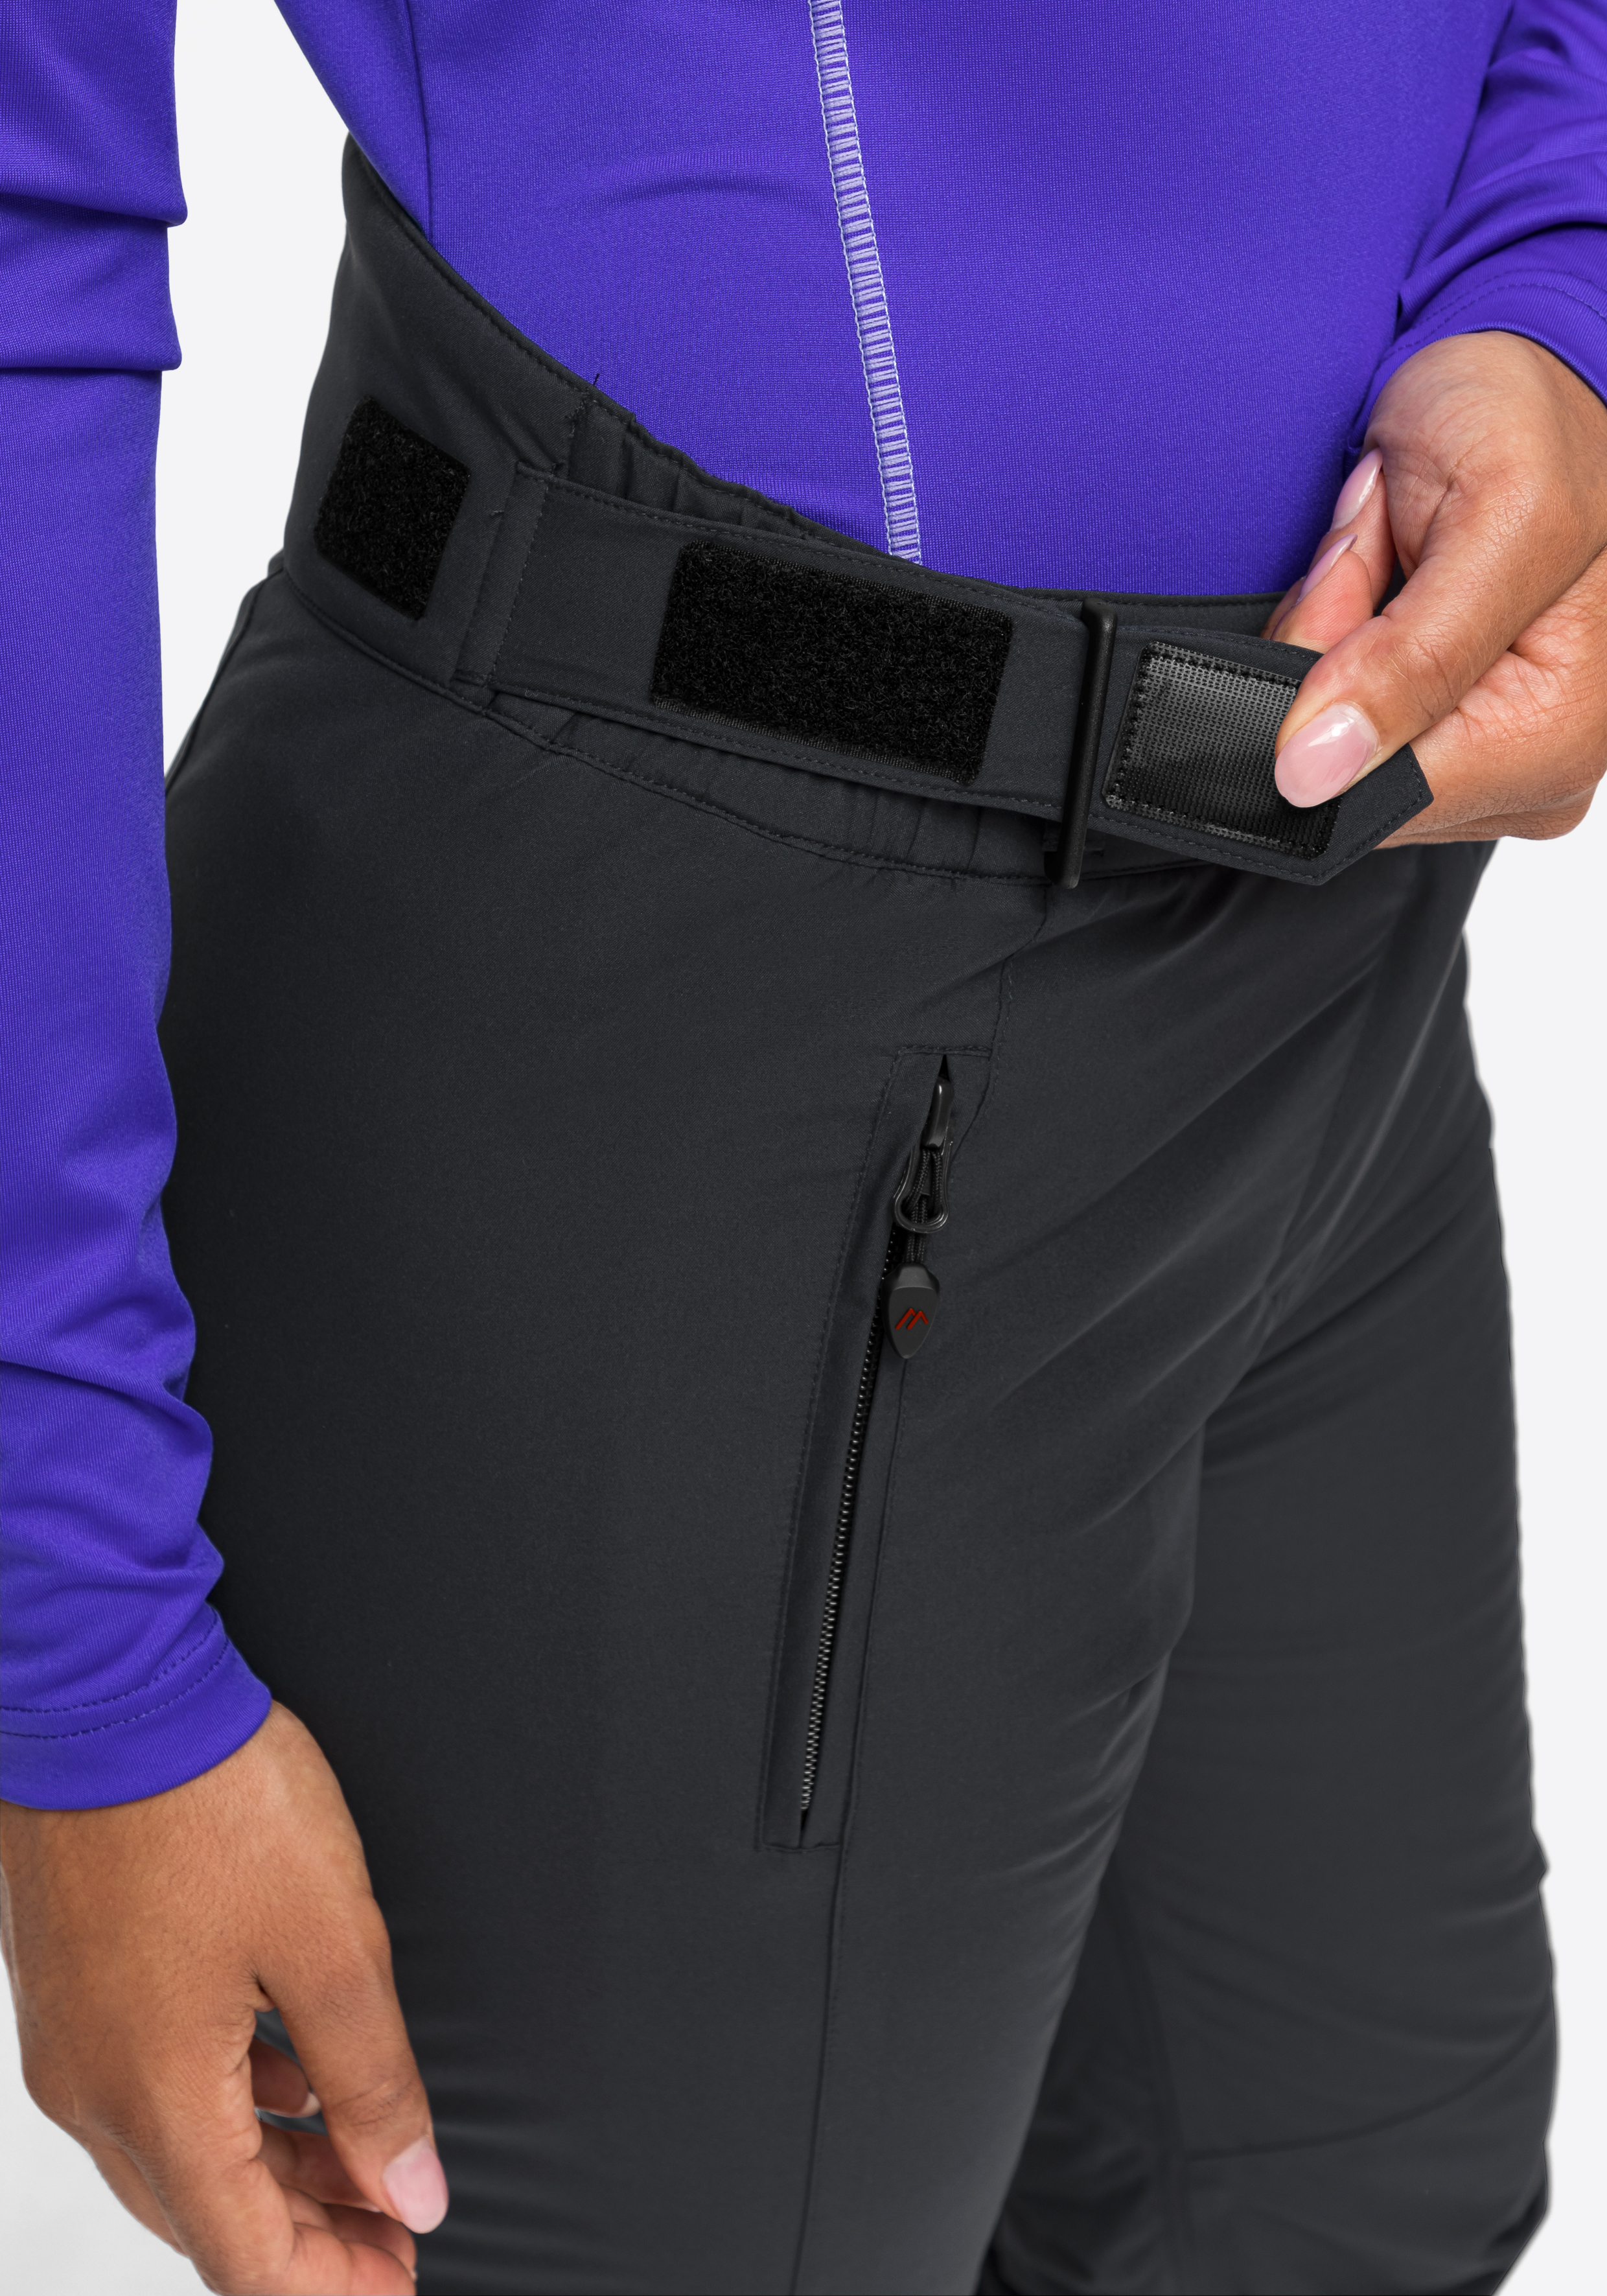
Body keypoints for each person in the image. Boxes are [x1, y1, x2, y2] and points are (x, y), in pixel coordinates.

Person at [3, 5, 1605, 2291]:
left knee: (1343, 2200)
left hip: (1325, 958)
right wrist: (72, 1650)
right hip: (685, 1048)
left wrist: (1556, 275)